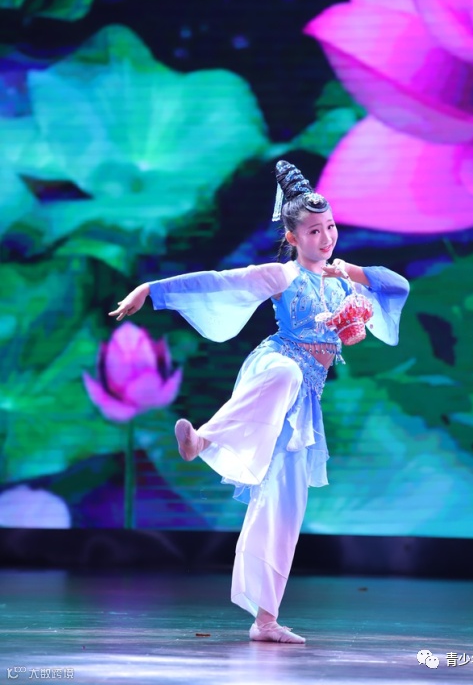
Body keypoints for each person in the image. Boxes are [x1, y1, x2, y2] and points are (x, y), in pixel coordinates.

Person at [109, 160, 409, 644]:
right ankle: (204, 439)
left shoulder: (342, 280)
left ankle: (265, 619)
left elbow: (398, 286)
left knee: (284, 508)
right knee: (288, 372)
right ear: (292, 237)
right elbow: (217, 282)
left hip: (303, 405)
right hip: (273, 369)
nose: (326, 238)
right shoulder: (282, 276)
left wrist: (350, 276)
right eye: (314, 231)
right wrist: (153, 290)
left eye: (330, 227)